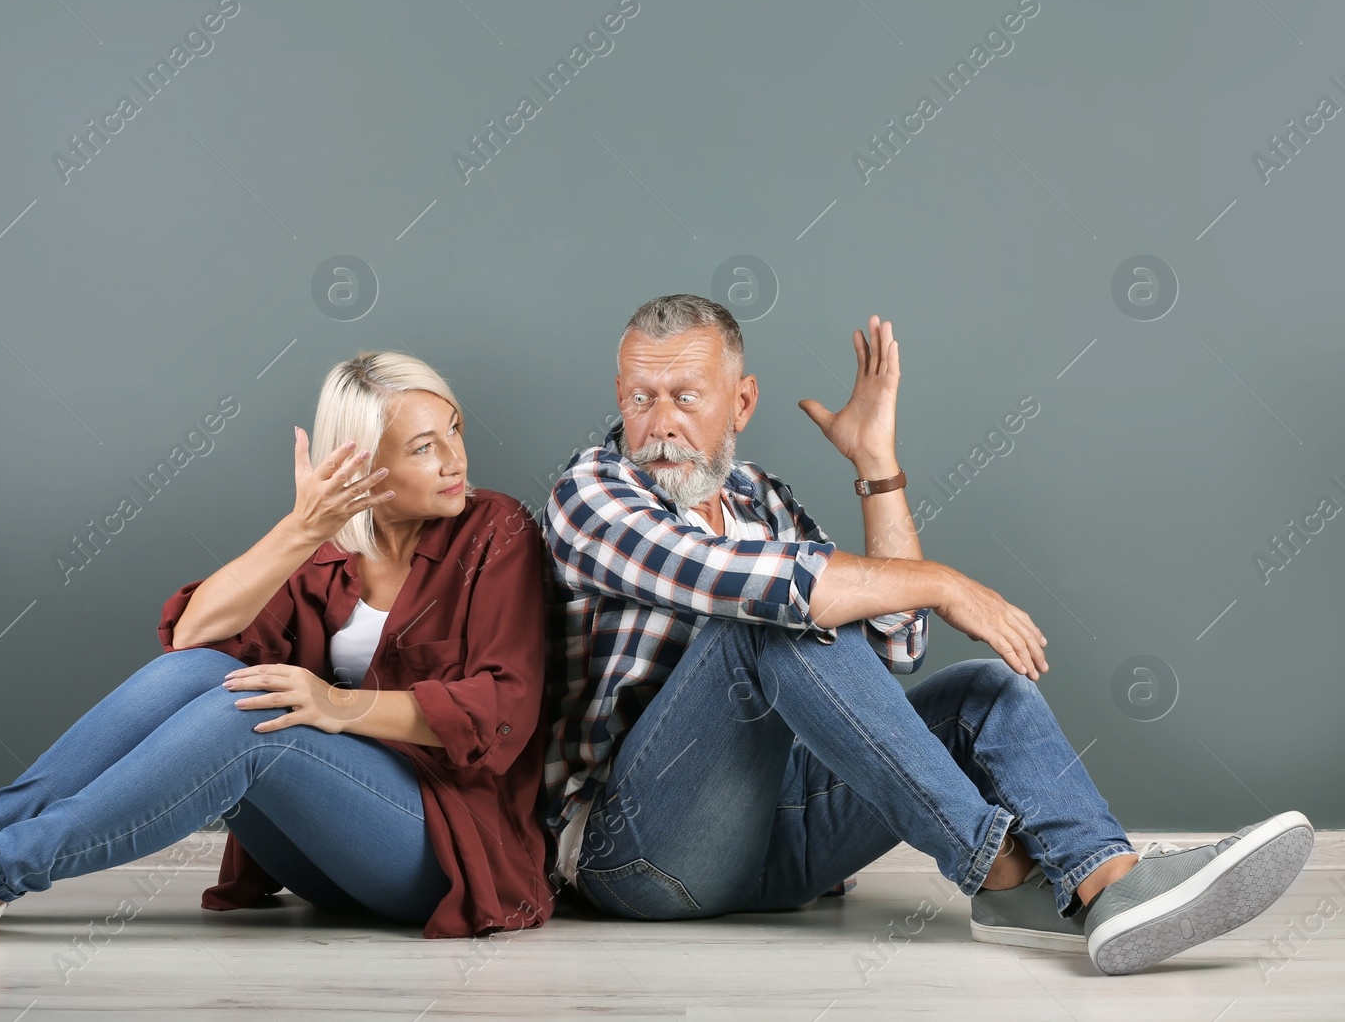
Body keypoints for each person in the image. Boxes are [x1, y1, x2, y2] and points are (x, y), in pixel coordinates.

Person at [539, 293, 1313, 976]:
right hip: (638, 853)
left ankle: (1109, 882)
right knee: (767, 623)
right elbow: (771, 590)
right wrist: (945, 581)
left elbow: (889, 651)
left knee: (981, 692)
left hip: (780, 847)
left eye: (685, 395)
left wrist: (877, 466)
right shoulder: (591, 491)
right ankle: (1004, 874)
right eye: (642, 396)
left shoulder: (759, 498)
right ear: (618, 394)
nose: (661, 423)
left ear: (740, 403)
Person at [0, 351, 553, 945]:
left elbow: (502, 708)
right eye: (425, 447)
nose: (456, 457)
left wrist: (337, 703)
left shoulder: (497, 530)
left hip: (449, 853)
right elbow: (194, 638)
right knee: (203, 670)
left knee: (251, 719)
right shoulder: (328, 551)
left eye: (453, 430)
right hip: (327, 853)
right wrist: (299, 529)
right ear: (360, 464)